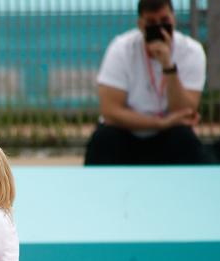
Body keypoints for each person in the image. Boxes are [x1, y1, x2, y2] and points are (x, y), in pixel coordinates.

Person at [84, 0, 208, 165]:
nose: (159, 28)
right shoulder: (121, 48)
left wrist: (168, 65)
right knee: (104, 140)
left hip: (169, 135)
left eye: (165, 21)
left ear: (174, 19)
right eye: (151, 23)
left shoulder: (191, 51)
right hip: (126, 133)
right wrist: (161, 123)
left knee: (185, 140)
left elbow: (185, 110)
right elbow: (110, 111)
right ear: (140, 24)